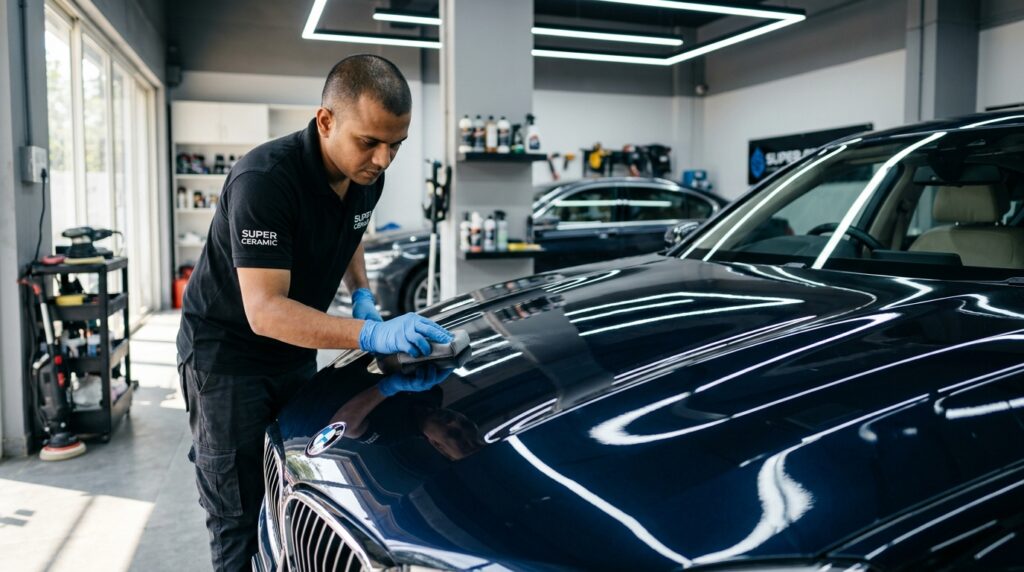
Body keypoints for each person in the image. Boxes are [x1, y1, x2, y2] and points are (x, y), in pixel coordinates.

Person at [175, 54, 452, 571]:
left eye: (397, 144)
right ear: (326, 121)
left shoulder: (366, 173)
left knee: (293, 481)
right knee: (237, 509)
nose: (384, 159)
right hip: (227, 359)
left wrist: (363, 293)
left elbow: (352, 231)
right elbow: (265, 311)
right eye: (369, 141)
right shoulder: (264, 181)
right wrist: (371, 333)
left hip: (294, 349)